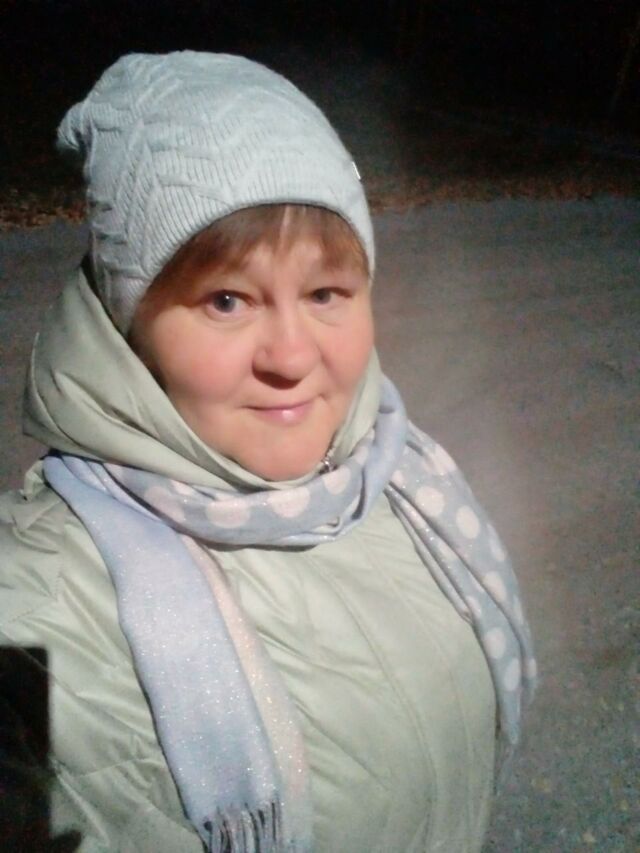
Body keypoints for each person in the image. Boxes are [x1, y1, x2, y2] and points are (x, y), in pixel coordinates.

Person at [0, 52, 536, 852]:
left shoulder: (402, 478)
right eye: (227, 299)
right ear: (128, 319)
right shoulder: (39, 604)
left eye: (325, 293)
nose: (290, 355)